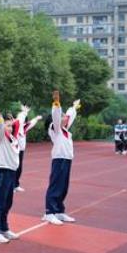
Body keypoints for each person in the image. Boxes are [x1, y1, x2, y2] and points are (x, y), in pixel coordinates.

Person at [0, 109, 25, 243]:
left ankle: (3, 227)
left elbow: (19, 123)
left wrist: (22, 113)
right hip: (2, 172)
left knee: (7, 202)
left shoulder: (13, 138)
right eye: (7, 125)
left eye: (10, 125)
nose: (10, 127)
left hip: (11, 173)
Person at [43, 91, 81, 226]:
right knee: (55, 185)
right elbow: (56, 115)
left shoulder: (65, 130)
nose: (66, 117)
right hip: (59, 160)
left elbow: (71, 116)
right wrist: (56, 103)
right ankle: (49, 212)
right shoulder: (55, 129)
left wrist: (74, 107)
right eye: (63, 115)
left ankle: (59, 210)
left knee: (63, 186)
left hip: (67, 160)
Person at [16, 107, 42, 192]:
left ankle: (16, 185)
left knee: (19, 168)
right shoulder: (16, 128)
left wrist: (36, 118)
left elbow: (31, 123)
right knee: (13, 168)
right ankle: (11, 186)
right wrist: (24, 112)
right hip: (14, 151)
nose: (24, 122)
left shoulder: (24, 127)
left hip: (21, 151)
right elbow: (20, 120)